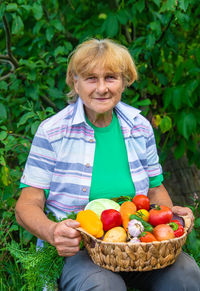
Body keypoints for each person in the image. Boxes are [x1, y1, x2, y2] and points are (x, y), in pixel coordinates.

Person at [15, 39, 200, 291]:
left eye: (111, 77)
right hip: (80, 252)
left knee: (187, 276)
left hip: (138, 245)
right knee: (104, 286)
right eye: (91, 78)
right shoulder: (53, 132)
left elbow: (155, 190)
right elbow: (27, 203)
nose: (101, 88)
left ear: (124, 81)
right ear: (74, 82)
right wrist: (52, 231)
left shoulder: (139, 127)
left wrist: (169, 220)